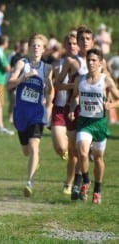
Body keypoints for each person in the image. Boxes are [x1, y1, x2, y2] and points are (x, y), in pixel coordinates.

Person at [56, 25, 110, 200]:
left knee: (83, 151)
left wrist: (108, 102)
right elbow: (58, 85)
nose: (85, 42)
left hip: (94, 113)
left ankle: (78, 186)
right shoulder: (72, 62)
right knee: (75, 151)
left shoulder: (100, 62)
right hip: (75, 107)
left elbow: (107, 84)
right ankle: (77, 182)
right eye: (82, 39)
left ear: (92, 41)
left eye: (88, 39)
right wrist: (77, 85)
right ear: (77, 42)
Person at [68, 48, 119, 204]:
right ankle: (86, 180)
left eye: (94, 60)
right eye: (88, 60)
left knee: (98, 158)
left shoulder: (106, 80)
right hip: (84, 122)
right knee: (82, 152)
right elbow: (75, 97)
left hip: (99, 123)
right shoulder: (80, 80)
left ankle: (97, 190)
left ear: (100, 62)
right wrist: (72, 109)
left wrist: (112, 105)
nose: (90, 63)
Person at [7, 33, 53, 197]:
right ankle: (35, 160)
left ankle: (29, 183)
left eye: (39, 46)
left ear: (44, 49)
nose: (35, 48)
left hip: (37, 114)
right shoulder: (22, 63)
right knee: (26, 151)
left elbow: (49, 94)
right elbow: (9, 84)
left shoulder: (47, 68)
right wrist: (23, 77)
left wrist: (49, 85)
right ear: (28, 47)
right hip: (21, 113)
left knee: (34, 147)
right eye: (33, 45)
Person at [51, 32, 79, 195]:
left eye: (75, 43)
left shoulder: (84, 64)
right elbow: (54, 85)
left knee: (73, 151)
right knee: (61, 147)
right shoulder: (58, 64)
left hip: (74, 110)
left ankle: (69, 183)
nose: (72, 46)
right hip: (59, 108)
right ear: (65, 46)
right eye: (69, 43)